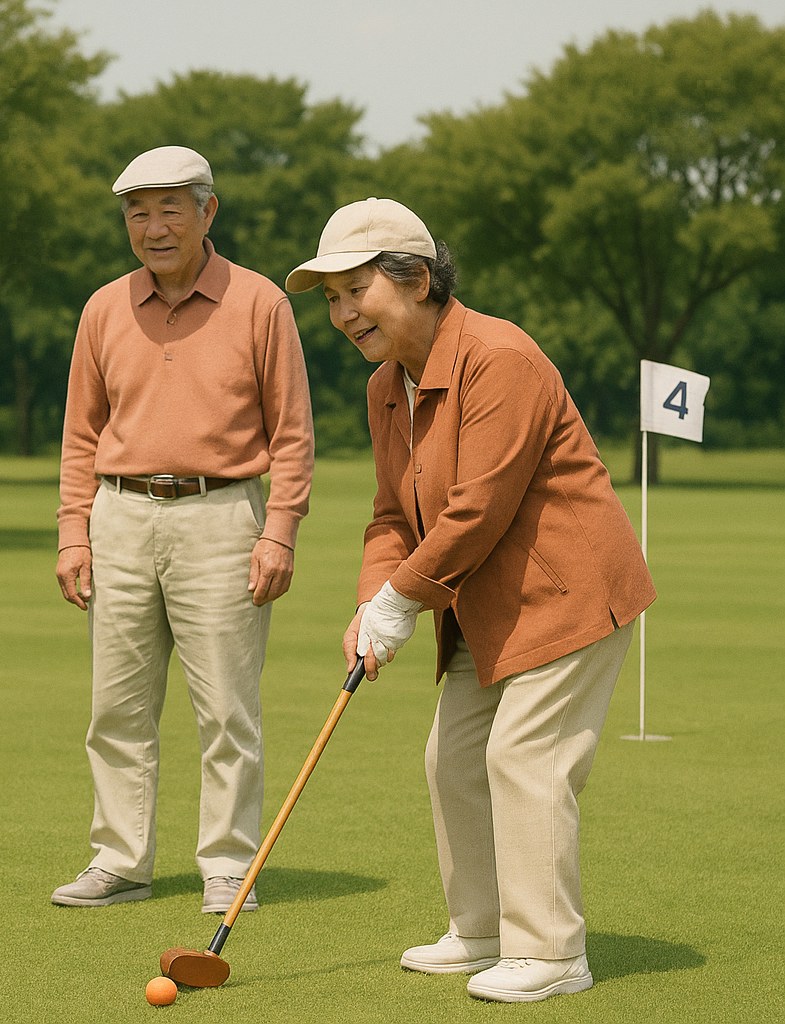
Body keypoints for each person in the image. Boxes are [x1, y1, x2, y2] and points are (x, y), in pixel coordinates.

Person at [285, 198, 656, 1003]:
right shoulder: (389, 387)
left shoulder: (500, 358)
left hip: (567, 592)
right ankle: (484, 930)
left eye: (357, 290)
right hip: (482, 604)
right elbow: (391, 516)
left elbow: (477, 509)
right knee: (452, 759)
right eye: (332, 299)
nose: (345, 313)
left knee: (526, 758)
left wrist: (401, 599)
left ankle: (552, 952)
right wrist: (371, 604)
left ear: (417, 279)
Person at [51, 146, 315, 914]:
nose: (154, 226)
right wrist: (74, 532)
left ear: (209, 211)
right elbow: (79, 436)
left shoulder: (261, 302)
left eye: (171, 208)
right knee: (117, 707)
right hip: (119, 515)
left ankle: (229, 866)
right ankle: (120, 860)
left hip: (225, 515)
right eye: (138, 211)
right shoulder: (103, 308)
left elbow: (293, 433)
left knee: (229, 708)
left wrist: (282, 530)